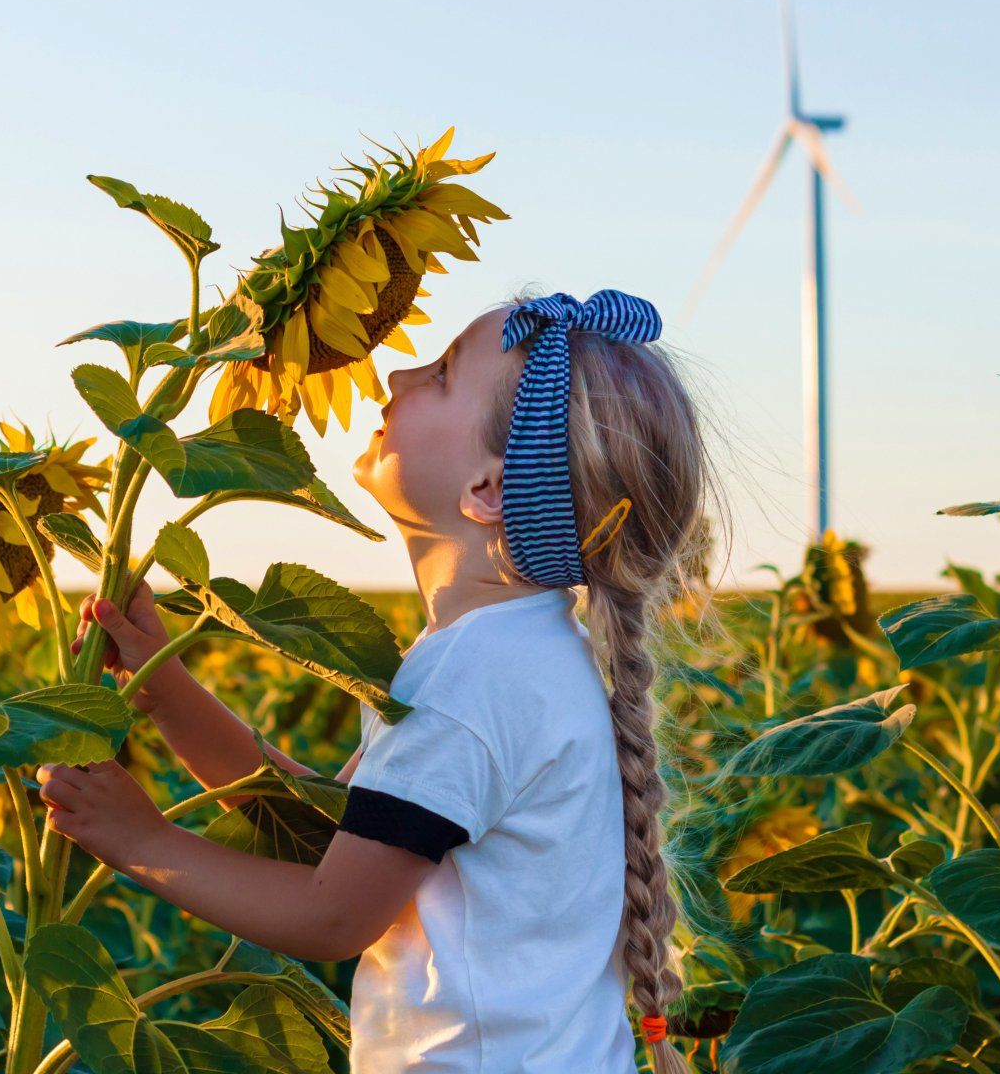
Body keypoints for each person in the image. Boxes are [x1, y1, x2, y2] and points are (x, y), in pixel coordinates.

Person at [39, 288, 720, 1073]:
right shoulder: (505, 653)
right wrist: (170, 692)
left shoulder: (478, 677)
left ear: (488, 490)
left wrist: (140, 841)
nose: (397, 377)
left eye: (438, 375)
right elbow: (339, 837)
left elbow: (332, 916)